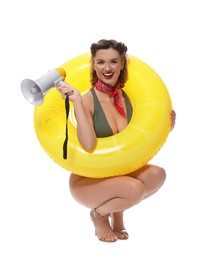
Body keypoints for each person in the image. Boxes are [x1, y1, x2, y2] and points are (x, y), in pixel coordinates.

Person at [56, 39, 176, 242]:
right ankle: (100, 214)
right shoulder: (86, 99)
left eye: (113, 61)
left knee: (158, 175)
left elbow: (137, 142)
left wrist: (164, 127)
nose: (107, 68)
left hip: (120, 174)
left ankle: (117, 211)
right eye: (101, 62)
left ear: (122, 63)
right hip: (88, 181)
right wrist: (76, 100)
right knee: (134, 189)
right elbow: (88, 144)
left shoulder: (129, 98)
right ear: (93, 65)